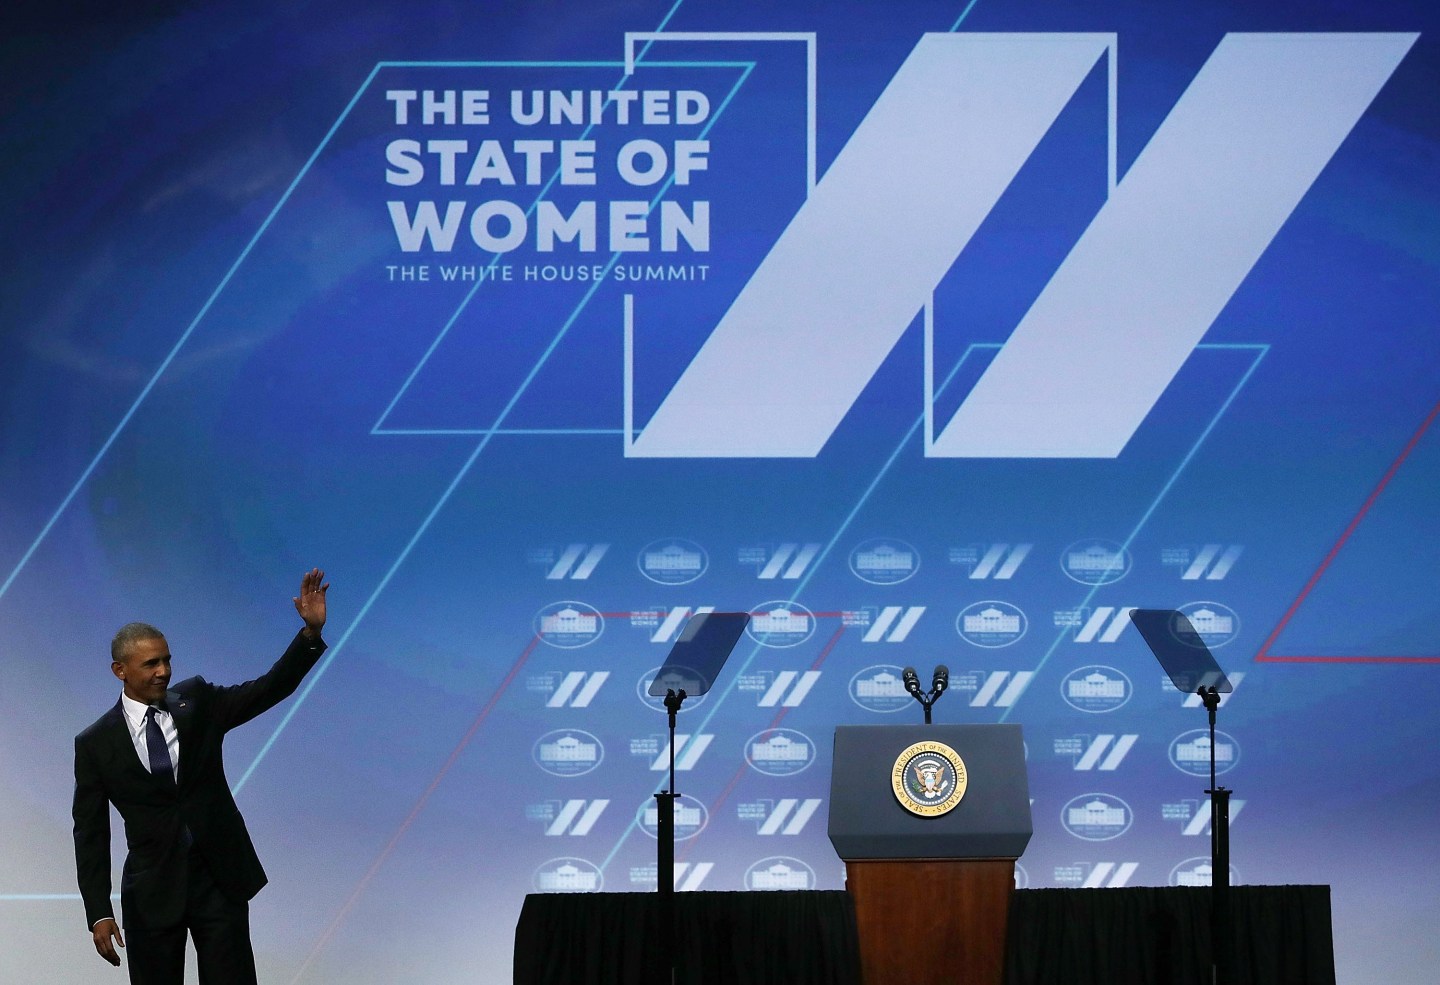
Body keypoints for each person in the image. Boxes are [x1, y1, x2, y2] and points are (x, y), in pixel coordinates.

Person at [73, 568, 330, 984]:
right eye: (151, 663)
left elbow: (268, 689)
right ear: (120, 670)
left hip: (218, 879)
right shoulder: (95, 743)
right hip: (153, 892)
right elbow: (90, 832)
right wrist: (99, 911)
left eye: (167, 660)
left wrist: (309, 635)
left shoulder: (197, 701)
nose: (163, 671)